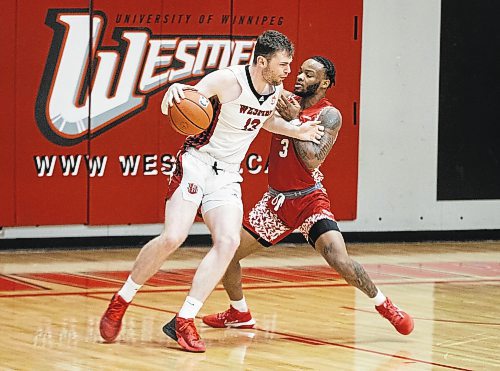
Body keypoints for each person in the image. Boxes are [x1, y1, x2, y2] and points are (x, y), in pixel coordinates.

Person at [99, 30, 325, 353]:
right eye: (283, 65)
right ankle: (122, 300)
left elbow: (262, 121)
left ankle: (184, 319)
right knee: (173, 237)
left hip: (227, 174)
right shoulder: (227, 80)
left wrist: (294, 129)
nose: (289, 71)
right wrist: (176, 92)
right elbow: (185, 99)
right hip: (197, 162)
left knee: (229, 241)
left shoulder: (274, 91)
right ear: (262, 62)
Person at [200, 56, 414, 336]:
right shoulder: (284, 99)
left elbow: (312, 161)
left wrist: (295, 121)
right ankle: (239, 312)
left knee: (338, 258)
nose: (299, 77)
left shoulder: (329, 115)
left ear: (324, 83)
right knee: (226, 254)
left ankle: (384, 305)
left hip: (308, 200)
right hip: (275, 202)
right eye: (299, 71)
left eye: (309, 75)